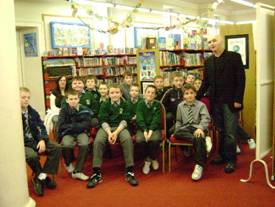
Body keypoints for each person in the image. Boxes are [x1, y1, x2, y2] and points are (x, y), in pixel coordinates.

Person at [197, 35, 245, 173]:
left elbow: (241, 80)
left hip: (230, 102)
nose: (212, 44)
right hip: (215, 102)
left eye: (214, 40)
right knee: (221, 131)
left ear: (222, 42)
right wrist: (197, 97)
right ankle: (223, 156)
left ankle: (231, 160)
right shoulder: (208, 61)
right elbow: (206, 82)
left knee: (230, 132)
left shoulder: (234, 57)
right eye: (209, 42)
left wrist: (238, 100)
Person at [87, 84, 138, 188]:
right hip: (106, 128)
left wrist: (116, 133)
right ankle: (97, 173)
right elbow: (103, 120)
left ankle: (130, 171)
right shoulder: (104, 104)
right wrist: (110, 133)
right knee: (98, 141)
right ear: (108, 94)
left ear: (121, 93)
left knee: (127, 139)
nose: (114, 95)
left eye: (117, 92)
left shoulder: (126, 104)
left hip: (121, 127)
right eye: (112, 93)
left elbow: (125, 120)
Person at [20, 87, 61, 196]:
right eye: (23, 97)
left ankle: (41, 176)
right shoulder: (13, 115)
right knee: (32, 155)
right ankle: (41, 176)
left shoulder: (32, 112)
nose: (26, 100)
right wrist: (35, 143)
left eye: (28, 97)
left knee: (56, 147)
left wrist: (42, 139)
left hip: (37, 140)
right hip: (23, 144)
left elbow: (41, 127)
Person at [174, 84, 211, 181]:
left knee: (198, 135)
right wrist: (178, 129)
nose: (189, 95)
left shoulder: (201, 105)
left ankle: (199, 166)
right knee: (176, 133)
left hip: (197, 127)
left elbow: (206, 118)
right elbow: (178, 120)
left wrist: (200, 128)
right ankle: (203, 141)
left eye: (191, 93)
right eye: (186, 93)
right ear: (183, 96)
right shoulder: (180, 106)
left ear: (195, 94)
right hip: (186, 128)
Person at [58, 89, 92, 181]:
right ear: (67, 100)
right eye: (71, 99)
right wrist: (75, 126)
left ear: (78, 99)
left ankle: (78, 171)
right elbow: (61, 125)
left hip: (81, 132)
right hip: (68, 133)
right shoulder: (63, 110)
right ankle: (68, 163)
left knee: (84, 144)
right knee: (66, 144)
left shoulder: (84, 109)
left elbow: (87, 123)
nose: (73, 101)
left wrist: (72, 126)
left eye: (75, 99)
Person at [136, 85, 161, 175]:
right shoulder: (140, 104)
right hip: (142, 128)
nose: (150, 94)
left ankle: (151, 159)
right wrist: (145, 131)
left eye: (152, 93)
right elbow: (139, 118)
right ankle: (149, 159)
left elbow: (156, 119)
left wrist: (150, 131)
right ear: (144, 94)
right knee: (139, 140)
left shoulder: (157, 104)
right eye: (148, 92)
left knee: (154, 140)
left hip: (154, 128)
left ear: (155, 95)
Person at [161, 72, 185, 137]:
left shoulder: (185, 91)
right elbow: (162, 105)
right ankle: (168, 136)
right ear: (172, 82)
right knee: (168, 117)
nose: (179, 83)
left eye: (181, 80)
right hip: (172, 114)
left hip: (184, 114)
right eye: (176, 80)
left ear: (183, 81)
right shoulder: (169, 91)